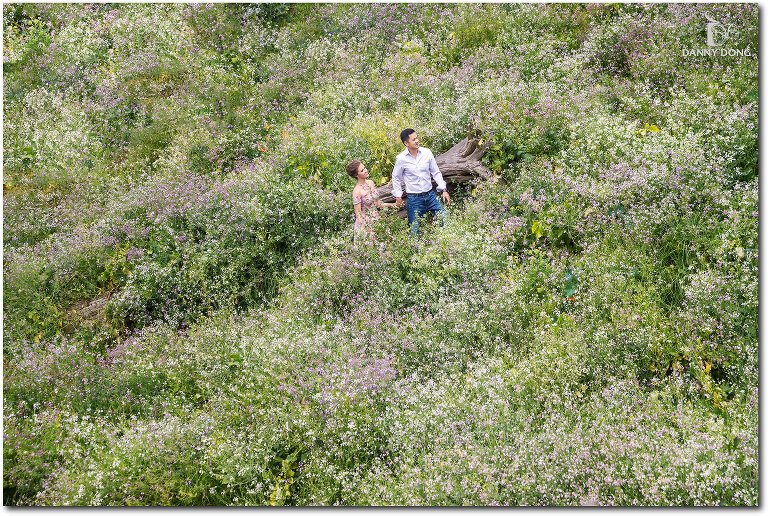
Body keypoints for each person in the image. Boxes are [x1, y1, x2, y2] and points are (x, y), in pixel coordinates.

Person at [392, 128, 450, 236]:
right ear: (406, 143)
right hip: (414, 199)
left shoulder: (427, 153)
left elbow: (436, 172)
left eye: (417, 138)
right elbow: (395, 177)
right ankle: (415, 252)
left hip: (430, 195)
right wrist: (398, 196)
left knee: (445, 220)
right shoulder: (401, 159)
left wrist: (444, 189)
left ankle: (449, 247)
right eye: (413, 140)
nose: (417, 141)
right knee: (414, 230)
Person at [347, 159, 395, 240]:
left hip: (376, 218)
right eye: (362, 170)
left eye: (364, 168)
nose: (365, 170)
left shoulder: (371, 183)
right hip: (365, 222)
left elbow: (378, 204)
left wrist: (393, 205)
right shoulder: (356, 191)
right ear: (356, 175)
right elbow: (358, 214)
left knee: (387, 243)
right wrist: (364, 228)